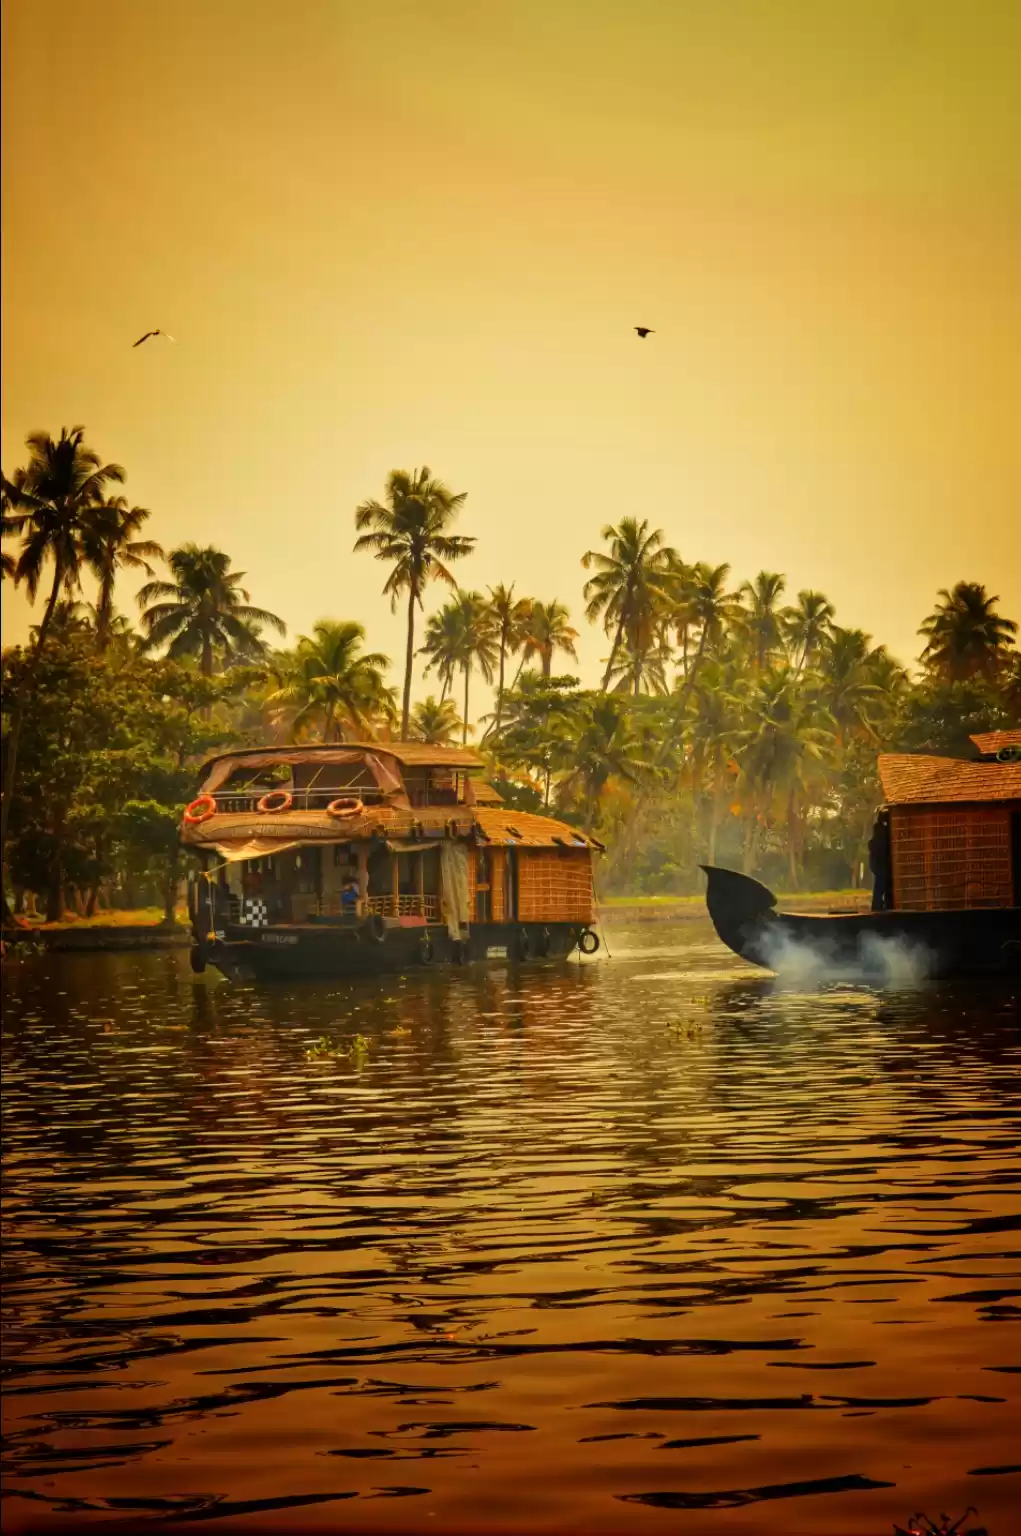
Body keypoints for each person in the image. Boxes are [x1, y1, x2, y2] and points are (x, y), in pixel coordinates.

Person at [868, 810, 892, 912]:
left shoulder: (878, 829)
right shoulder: (882, 830)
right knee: (882, 884)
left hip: (877, 863)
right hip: (880, 863)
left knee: (880, 884)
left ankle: (879, 904)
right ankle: (880, 904)